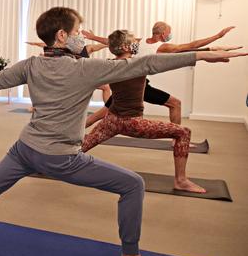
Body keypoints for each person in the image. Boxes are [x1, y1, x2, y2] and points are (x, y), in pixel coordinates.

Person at [0, 7, 247, 256]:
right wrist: (202, 56)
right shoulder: (86, 69)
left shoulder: (31, 64)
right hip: (60, 158)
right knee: (133, 185)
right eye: (78, 32)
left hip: (24, 148)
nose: (84, 37)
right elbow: (146, 65)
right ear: (63, 36)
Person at [81, 30, 205, 193]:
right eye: (134, 41)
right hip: (133, 123)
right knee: (183, 133)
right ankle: (180, 181)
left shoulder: (108, 64)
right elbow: (179, 55)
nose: (137, 44)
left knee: (82, 147)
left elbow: (111, 45)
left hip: (111, 121)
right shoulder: (139, 64)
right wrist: (209, 52)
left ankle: (51, 162)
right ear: (125, 46)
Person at [83, 24, 237, 127]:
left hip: (127, 83)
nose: (170, 35)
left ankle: (76, 130)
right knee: (175, 104)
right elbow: (192, 46)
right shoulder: (163, 46)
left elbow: (113, 42)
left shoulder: (138, 42)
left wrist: (93, 37)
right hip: (138, 85)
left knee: (102, 113)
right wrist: (217, 36)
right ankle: (176, 135)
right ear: (164, 33)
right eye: (169, 32)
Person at [26, 41, 111, 111]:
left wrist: (109, 43)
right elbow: (49, 44)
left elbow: (100, 45)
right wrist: (36, 44)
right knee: (46, 84)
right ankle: (37, 106)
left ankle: (109, 109)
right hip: (71, 78)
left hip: (82, 78)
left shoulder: (87, 49)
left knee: (106, 87)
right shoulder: (66, 50)